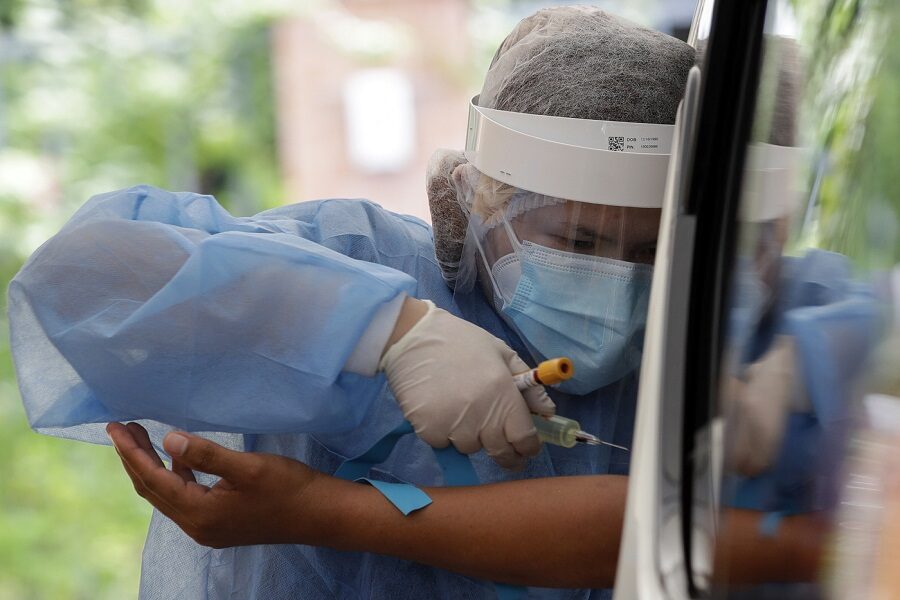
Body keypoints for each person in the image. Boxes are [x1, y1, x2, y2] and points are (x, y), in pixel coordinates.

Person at [9, 7, 701, 598]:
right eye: (577, 238)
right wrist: (387, 330)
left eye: (651, 253)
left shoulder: (698, 346)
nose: (620, 279)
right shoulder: (355, 255)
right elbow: (82, 277)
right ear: (477, 196)